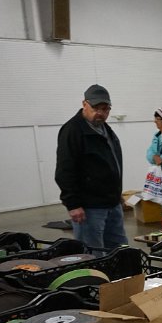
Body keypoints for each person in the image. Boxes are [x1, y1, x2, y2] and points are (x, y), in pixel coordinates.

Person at [55, 84, 127, 249]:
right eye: (96, 108)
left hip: (112, 203)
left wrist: (117, 194)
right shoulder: (73, 131)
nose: (101, 113)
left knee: (120, 251)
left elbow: (112, 164)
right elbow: (64, 171)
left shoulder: (105, 129)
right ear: (84, 104)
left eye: (105, 109)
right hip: (89, 208)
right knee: (93, 253)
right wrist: (73, 204)